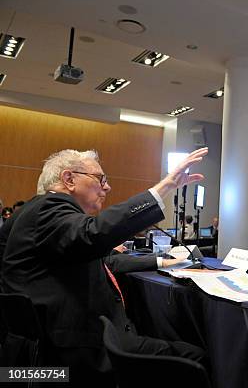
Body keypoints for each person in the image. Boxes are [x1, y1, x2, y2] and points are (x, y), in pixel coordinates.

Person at [0, 148, 209, 385]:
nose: (107, 187)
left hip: (34, 356)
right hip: (71, 358)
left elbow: (93, 249)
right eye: (101, 179)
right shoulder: (49, 208)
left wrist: (160, 260)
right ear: (69, 179)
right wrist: (166, 186)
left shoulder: (28, 214)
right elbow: (93, 233)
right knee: (195, 358)